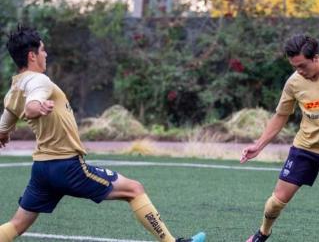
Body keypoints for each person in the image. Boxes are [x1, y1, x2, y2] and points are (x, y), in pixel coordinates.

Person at [0, 25, 206, 242]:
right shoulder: (38, 80)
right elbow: (33, 102)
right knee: (134, 189)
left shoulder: (12, 92)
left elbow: (3, 128)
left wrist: (4, 135)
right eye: (42, 50)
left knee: (17, 225)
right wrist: (35, 107)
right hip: (66, 167)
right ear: (32, 56)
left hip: (42, 170)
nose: (46, 54)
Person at [240, 34, 319, 242]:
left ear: (315, 57)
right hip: (305, 148)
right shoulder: (294, 82)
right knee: (276, 202)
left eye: (303, 66)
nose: (299, 72)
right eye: (295, 67)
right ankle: (263, 233)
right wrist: (259, 145)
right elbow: (281, 115)